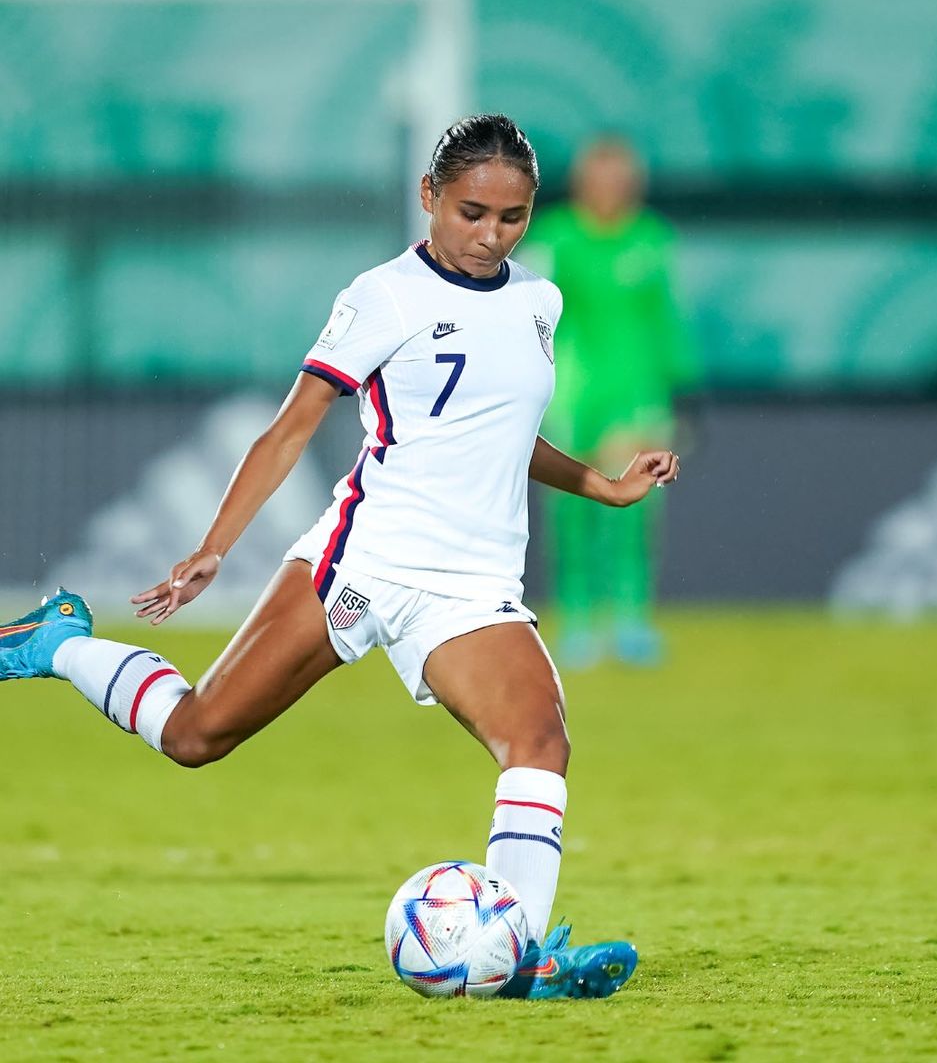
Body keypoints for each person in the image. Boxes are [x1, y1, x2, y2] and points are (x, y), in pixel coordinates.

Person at [0, 115, 678, 1000]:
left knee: (540, 744)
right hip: (366, 563)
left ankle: (519, 957)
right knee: (196, 734)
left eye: (511, 218)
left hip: (473, 586)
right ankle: (59, 643)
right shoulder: (384, 296)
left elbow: (504, 435)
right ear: (429, 195)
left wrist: (604, 486)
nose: (490, 235)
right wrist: (213, 549)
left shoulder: (537, 302)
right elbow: (290, 428)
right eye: (471, 212)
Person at [524, 137, 697, 669]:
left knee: (636, 507)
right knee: (572, 508)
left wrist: (683, 386)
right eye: (601, 178)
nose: (611, 189)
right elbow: (529, 312)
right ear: (582, 182)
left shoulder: (652, 240)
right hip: (572, 392)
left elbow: (667, 317)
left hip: (636, 394)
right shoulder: (555, 237)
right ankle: (576, 617)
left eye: (621, 179)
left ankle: (630, 617)